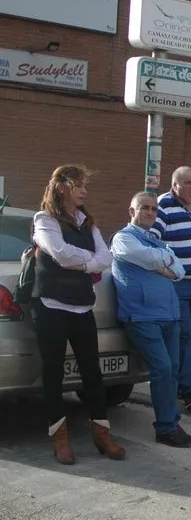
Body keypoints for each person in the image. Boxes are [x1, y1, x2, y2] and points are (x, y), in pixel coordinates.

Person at [31, 164, 124, 464]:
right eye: (79, 185)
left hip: (82, 306)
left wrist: (83, 262)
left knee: (92, 373)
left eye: (86, 185)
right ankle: (59, 437)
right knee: (54, 373)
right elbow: (60, 253)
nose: (84, 191)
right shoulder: (44, 220)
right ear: (61, 188)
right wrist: (89, 261)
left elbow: (106, 257)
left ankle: (102, 432)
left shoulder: (88, 223)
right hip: (51, 307)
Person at [111, 191, 191, 447]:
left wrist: (161, 262)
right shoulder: (123, 238)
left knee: (172, 371)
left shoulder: (156, 241)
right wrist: (163, 261)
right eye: (145, 208)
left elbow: (179, 271)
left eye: (153, 209)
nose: (150, 212)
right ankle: (165, 428)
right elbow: (153, 258)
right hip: (142, 316)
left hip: (169, 315)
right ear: (132, 211)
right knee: (163, 369)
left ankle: (172, 424)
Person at [151, 166, 191, 410]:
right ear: (174, 185)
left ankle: (185, 381)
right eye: (188, 183)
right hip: (177, 283)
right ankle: (189, 388)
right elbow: (153, 241)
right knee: (185, 334)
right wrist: (169, 270)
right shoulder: (163, 206)